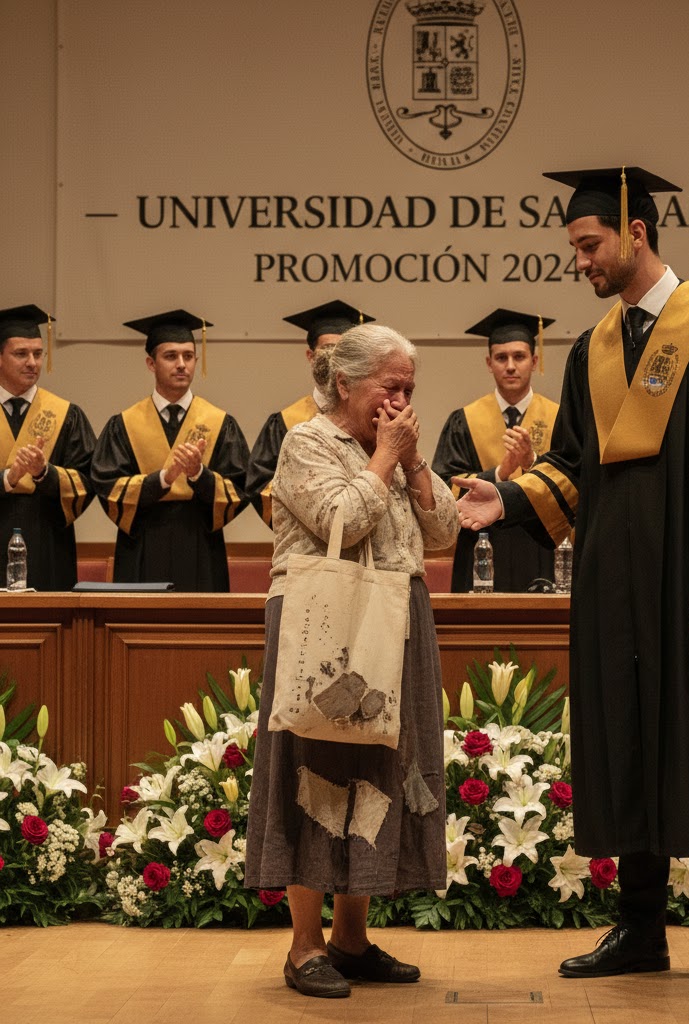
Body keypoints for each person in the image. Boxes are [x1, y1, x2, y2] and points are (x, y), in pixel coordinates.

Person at [455, 166, 689, 990]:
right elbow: (574, 467)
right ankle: (641, 929)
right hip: (616, 587)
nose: (580, 262)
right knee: (630, 741)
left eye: (588, 244)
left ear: (635, 233)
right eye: (576, 247)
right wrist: (504, 500)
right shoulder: (594, 351)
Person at [245, 323, 459, 999]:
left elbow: (446, 532)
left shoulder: (394, 448)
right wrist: (384, 460)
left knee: (378, 767)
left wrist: (414, 461)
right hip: (326, 627)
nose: (400, 401)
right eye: (389, 386)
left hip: (396, 620)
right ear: (344, 382)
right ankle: (304, 946)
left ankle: (352, 939)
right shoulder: (308, 442)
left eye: (409, 389)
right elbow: (342, 518)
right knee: (319, 767)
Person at [90, 310, 249, 590]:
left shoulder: (219, 423)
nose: (181, 365)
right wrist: (163, 478)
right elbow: (106, 486)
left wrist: (199, 474)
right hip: (142, 546)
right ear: (151, 363)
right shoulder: (125, 424)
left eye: (188, 356)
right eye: (171, 356)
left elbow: (241, 488)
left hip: (201, 547)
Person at [432, 307, 559, 591]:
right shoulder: (463, 420)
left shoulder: (558, 418)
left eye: (519, 356)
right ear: (489, 363)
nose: (510, 366)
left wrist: (531, 462)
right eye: (501, 358)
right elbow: (443, 485)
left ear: (534, 360)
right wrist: (500, 473)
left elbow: (575, 483)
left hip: (539, 548)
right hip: (480, 546)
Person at [247, 300, 374, 527]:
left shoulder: (371, 417)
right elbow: (261, 486)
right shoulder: (284, 423)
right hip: (303, 540)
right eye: (326, 349)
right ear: (310, 356)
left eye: (342, 350)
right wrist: (310, 511)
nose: (333, 358)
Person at [0, 304, 95, 589]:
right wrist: (8, 478)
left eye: (38, 354)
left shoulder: (66, 415)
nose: (32, 362)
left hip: (48, 543)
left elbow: (89, 480)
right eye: (21, 354)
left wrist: (44, 473)